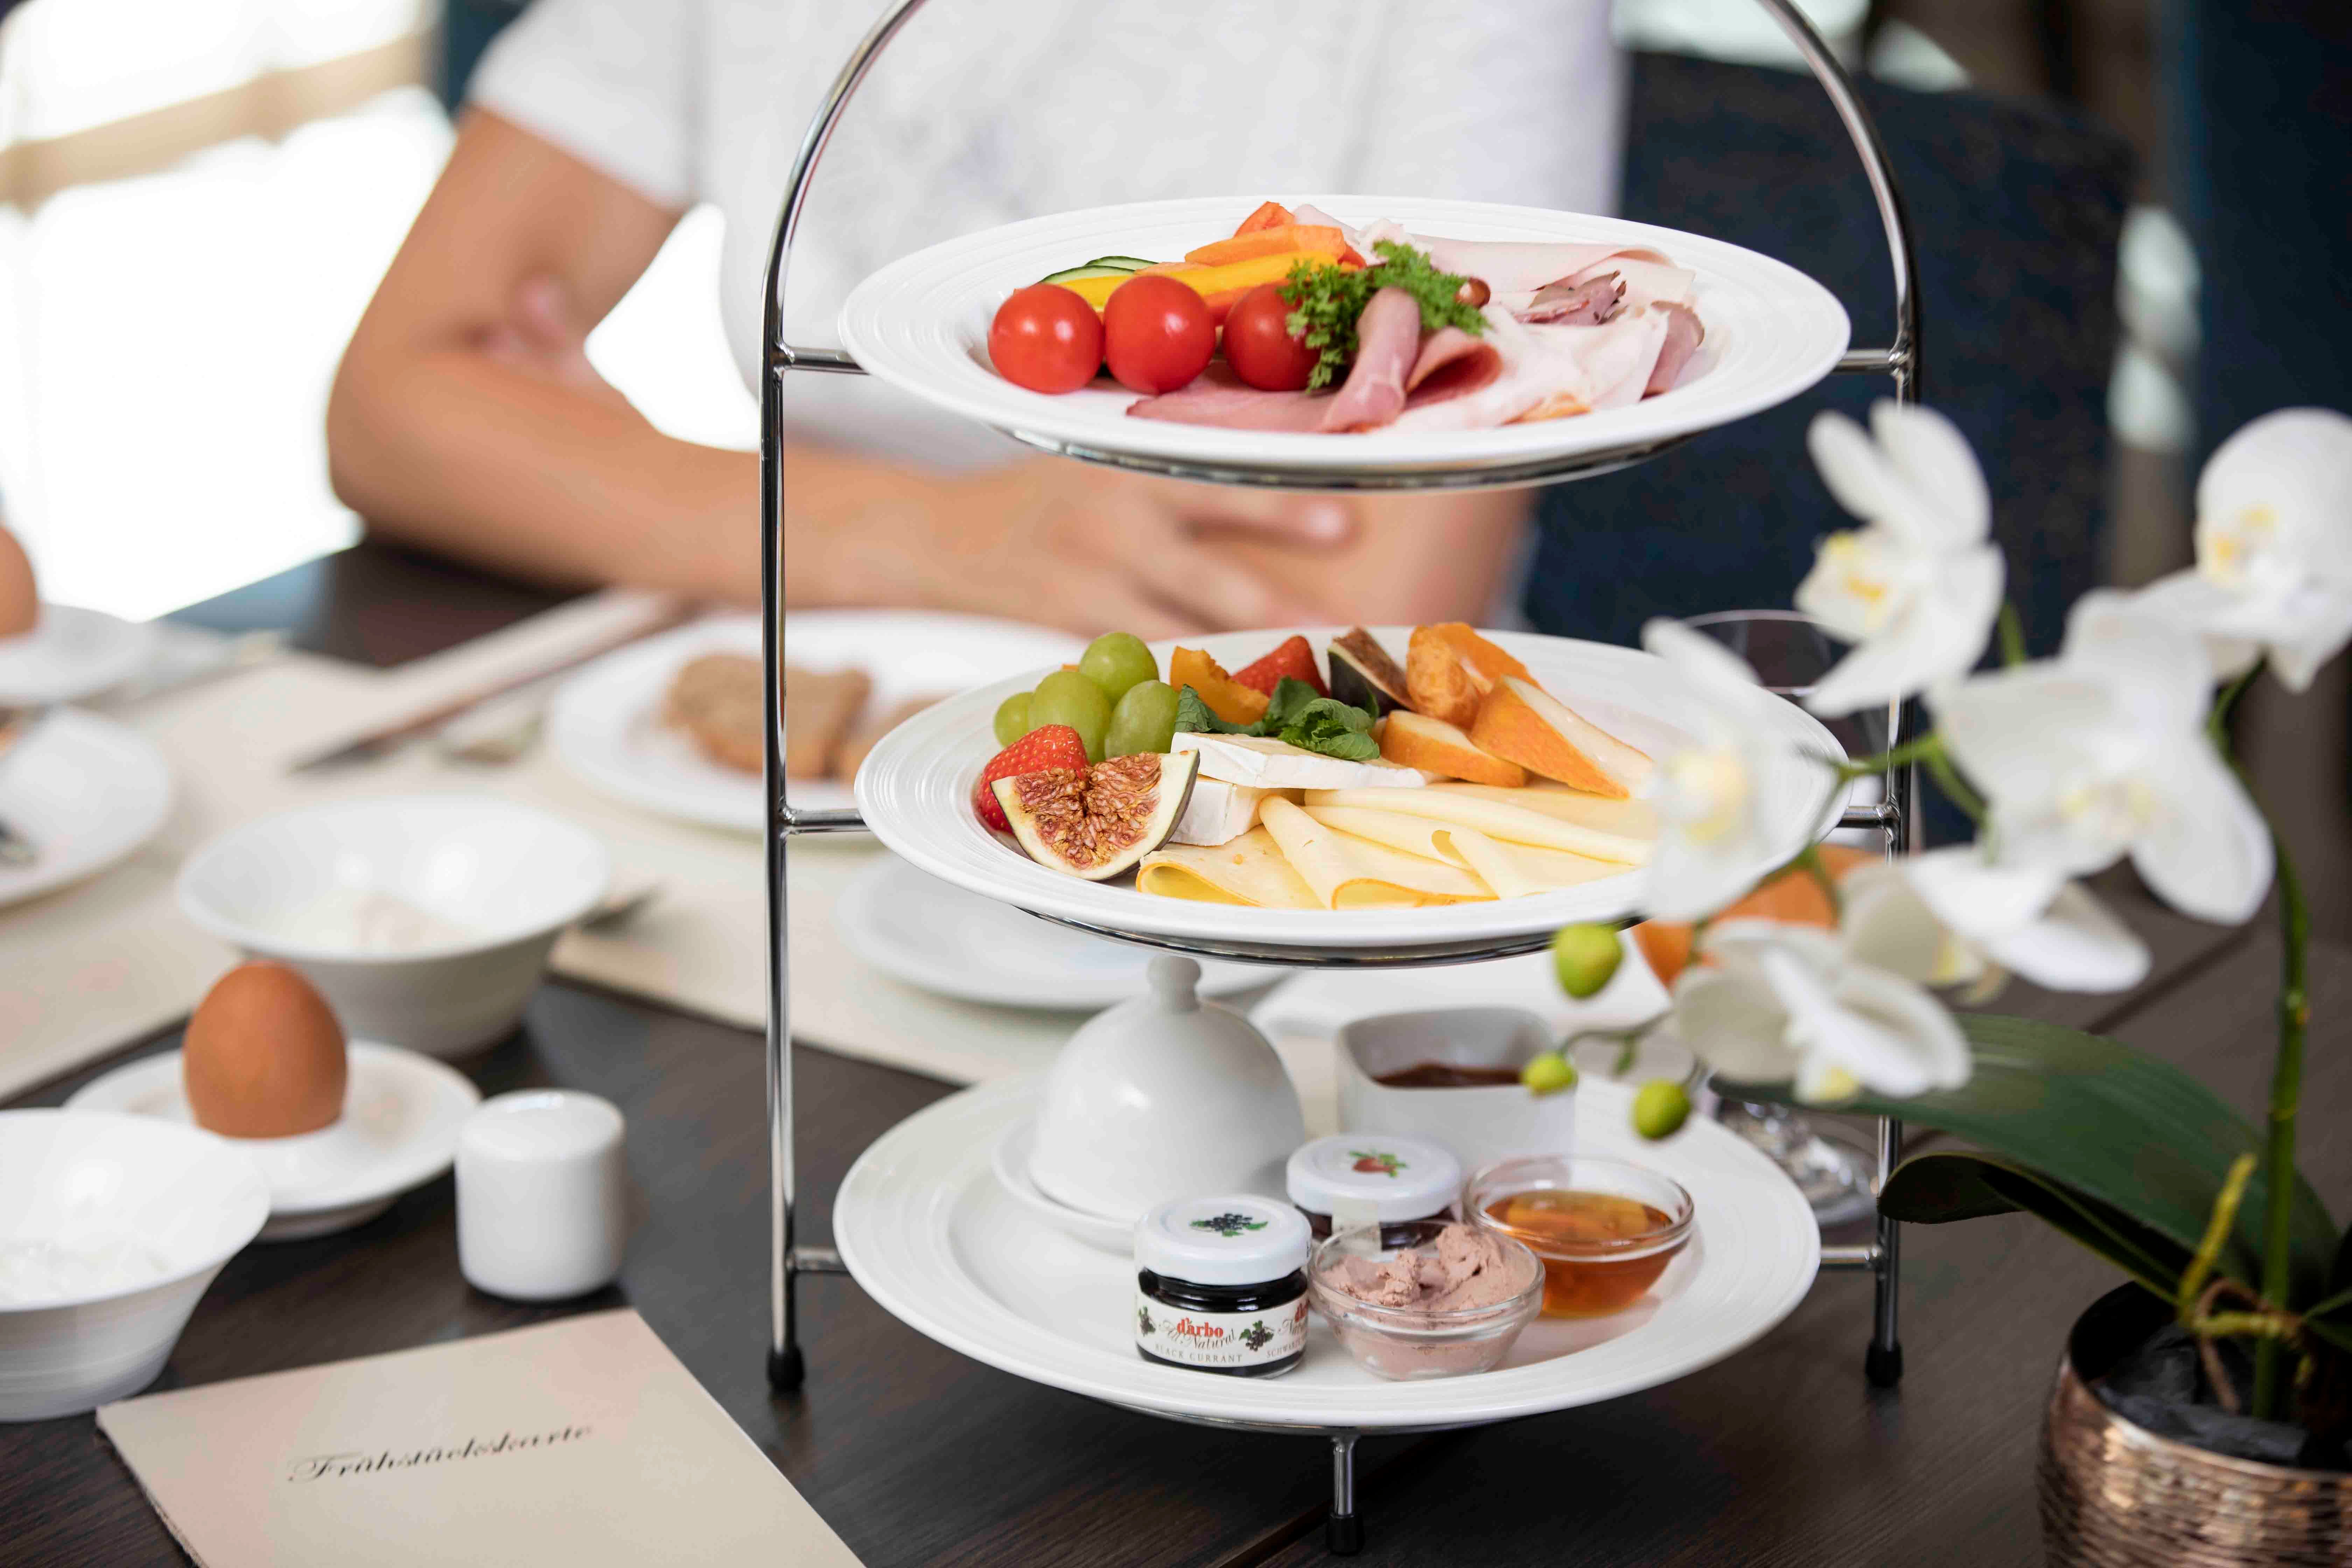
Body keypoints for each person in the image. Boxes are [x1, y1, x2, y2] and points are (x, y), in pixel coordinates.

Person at [327, 0, 1624, 638]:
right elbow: (395, 409)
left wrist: (663, 498)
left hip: (1291, 825)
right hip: (794, 773)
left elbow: (1369, 597)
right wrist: (938, 536)